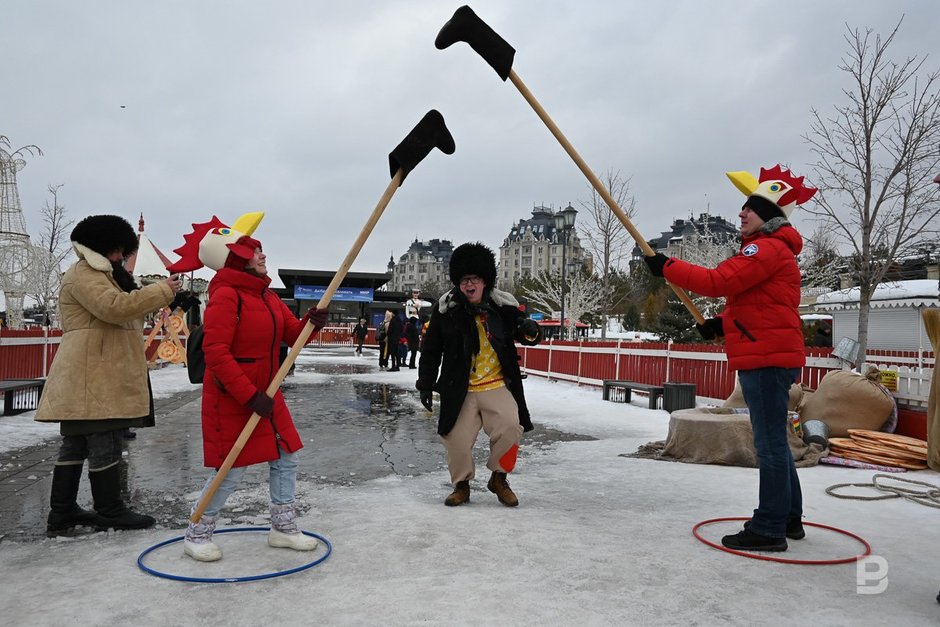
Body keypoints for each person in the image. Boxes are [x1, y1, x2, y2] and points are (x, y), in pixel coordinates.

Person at [644, 165, 817, 552]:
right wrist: (722, 323)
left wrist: (666, 266)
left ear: (767, 217)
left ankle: (769, 527)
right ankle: (788, 517)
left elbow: (720, 280)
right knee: (774, 439)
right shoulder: (774, 250)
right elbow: (763, 303)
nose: (741, 214)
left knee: (770, 443)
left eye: (749, 209)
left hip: (766, 359)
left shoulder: (765, 248)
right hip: (768, 352)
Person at [167, 213, 328, 562]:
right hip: (234, 396)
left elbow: (291, 335)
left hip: (267, 395)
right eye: (255, 251)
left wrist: (311, 323)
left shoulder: (267, 296)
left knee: (286, 455)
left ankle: (283, 528)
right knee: (231, 468)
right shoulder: (226, 296)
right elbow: (217, 354)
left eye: (259, 250)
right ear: (235, 258)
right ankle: (197, 532)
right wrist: (250, 396)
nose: (262, 255)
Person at [35, 214, 181, 535]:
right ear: (104, 247)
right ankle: (109, 509)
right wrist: (160, 292)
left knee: (75, 445)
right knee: (105, 440)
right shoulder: (86, 273)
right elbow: (114, 308)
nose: (121, 257)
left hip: (90, 372)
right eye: (118, 251)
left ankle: (62, 513)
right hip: (94, 375)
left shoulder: (98, 274)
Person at [417, 242, 542, 507]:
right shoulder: (445, 311)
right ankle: (461, 485)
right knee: (456, 439)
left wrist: (531, 329)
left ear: (485, 281)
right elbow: (431, 350)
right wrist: (425, 384)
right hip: (460, 388)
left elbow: (524, 332)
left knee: (511, 427)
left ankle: (499, 477)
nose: (469, 284)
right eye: (464, 280)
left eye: (474, 279)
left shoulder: (503, 307)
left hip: (496, 385)